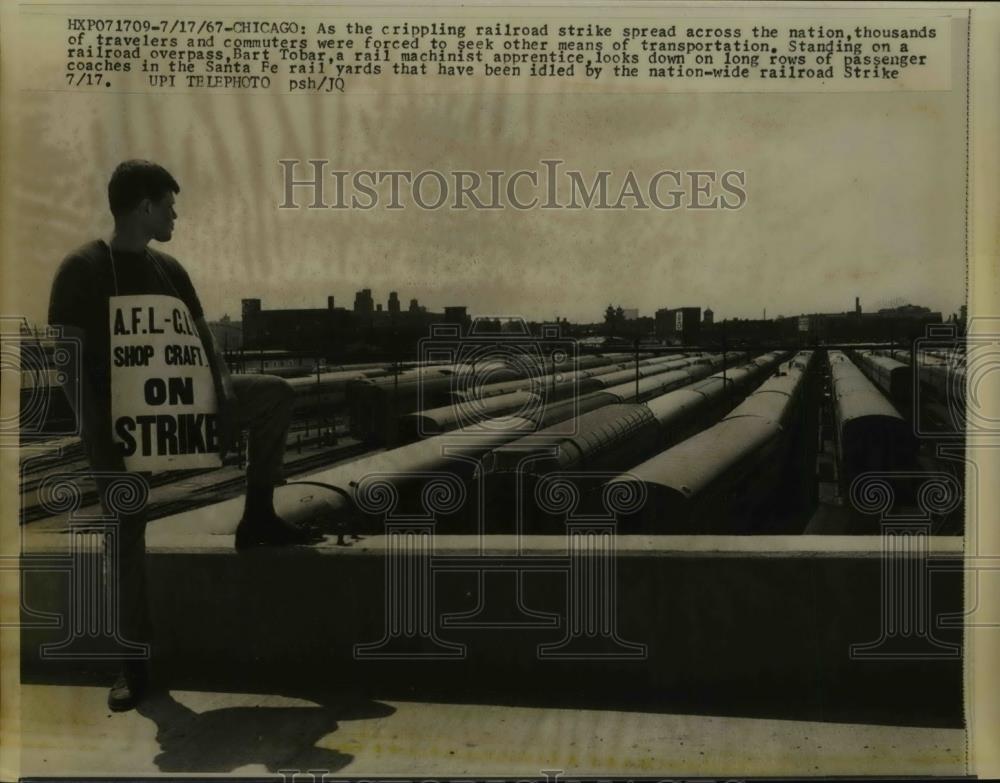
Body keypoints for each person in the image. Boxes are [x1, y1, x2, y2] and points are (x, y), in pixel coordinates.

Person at [48, 160, 320, 713]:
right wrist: (97, 438)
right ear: (143, 206)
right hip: (116, 425)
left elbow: (204, 341)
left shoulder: (170, 270)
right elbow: (68, 360)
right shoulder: (81, 269)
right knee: (126, 532)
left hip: (181, 406)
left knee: (274, 394)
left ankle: (258, 515)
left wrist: (222, 392)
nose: (176, 213)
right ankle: (133, 664)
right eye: (169, 203)